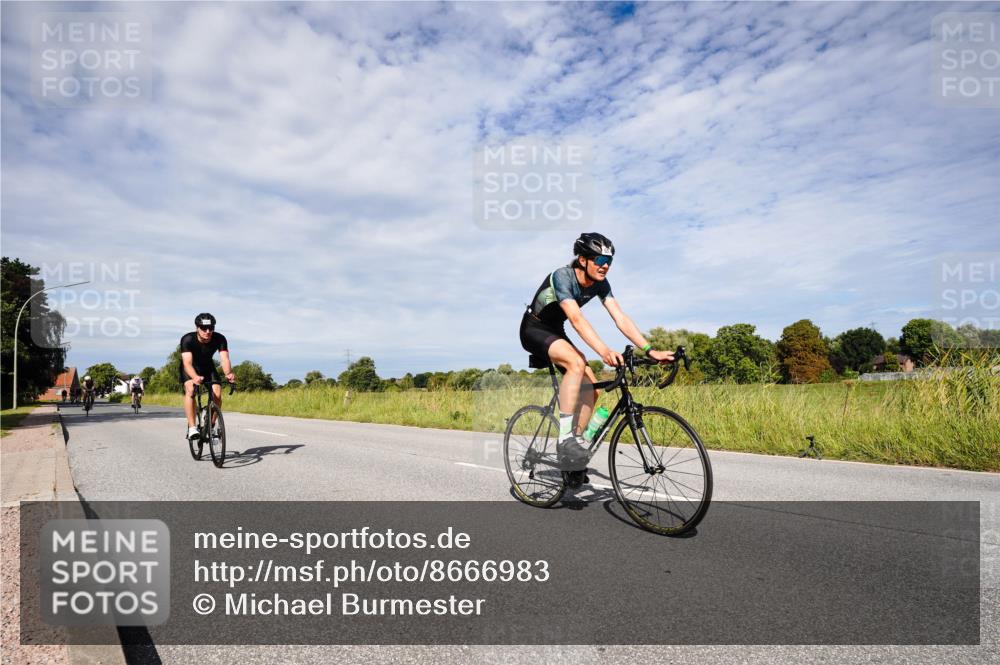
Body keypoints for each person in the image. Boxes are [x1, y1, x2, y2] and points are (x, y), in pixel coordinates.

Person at [520, 232, 675, 470]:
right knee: (576, 363)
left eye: (609, 263)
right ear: (583, 260)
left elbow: (620, 317)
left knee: (591, 390)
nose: (605, 267)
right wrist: (603, 350)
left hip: (555, 330)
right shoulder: (562, 276)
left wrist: (650, 350)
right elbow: (576, 319)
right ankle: (564, 439)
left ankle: (572, 455)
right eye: (600, 261)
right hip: (534, 328)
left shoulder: (600, 284)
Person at [179, 313, 235, 441]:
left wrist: (228, 373)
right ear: (197, 328)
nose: (208, 331)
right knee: (191, 390)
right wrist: (194, 377)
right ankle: (192, 428)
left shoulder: (220, 339)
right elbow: (187, 363)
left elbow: (224, 359)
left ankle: (211, 425)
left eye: (211, 328)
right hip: (190, 368)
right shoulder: (187, 339)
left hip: (208, 367)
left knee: (217, 394)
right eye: (204, 328)